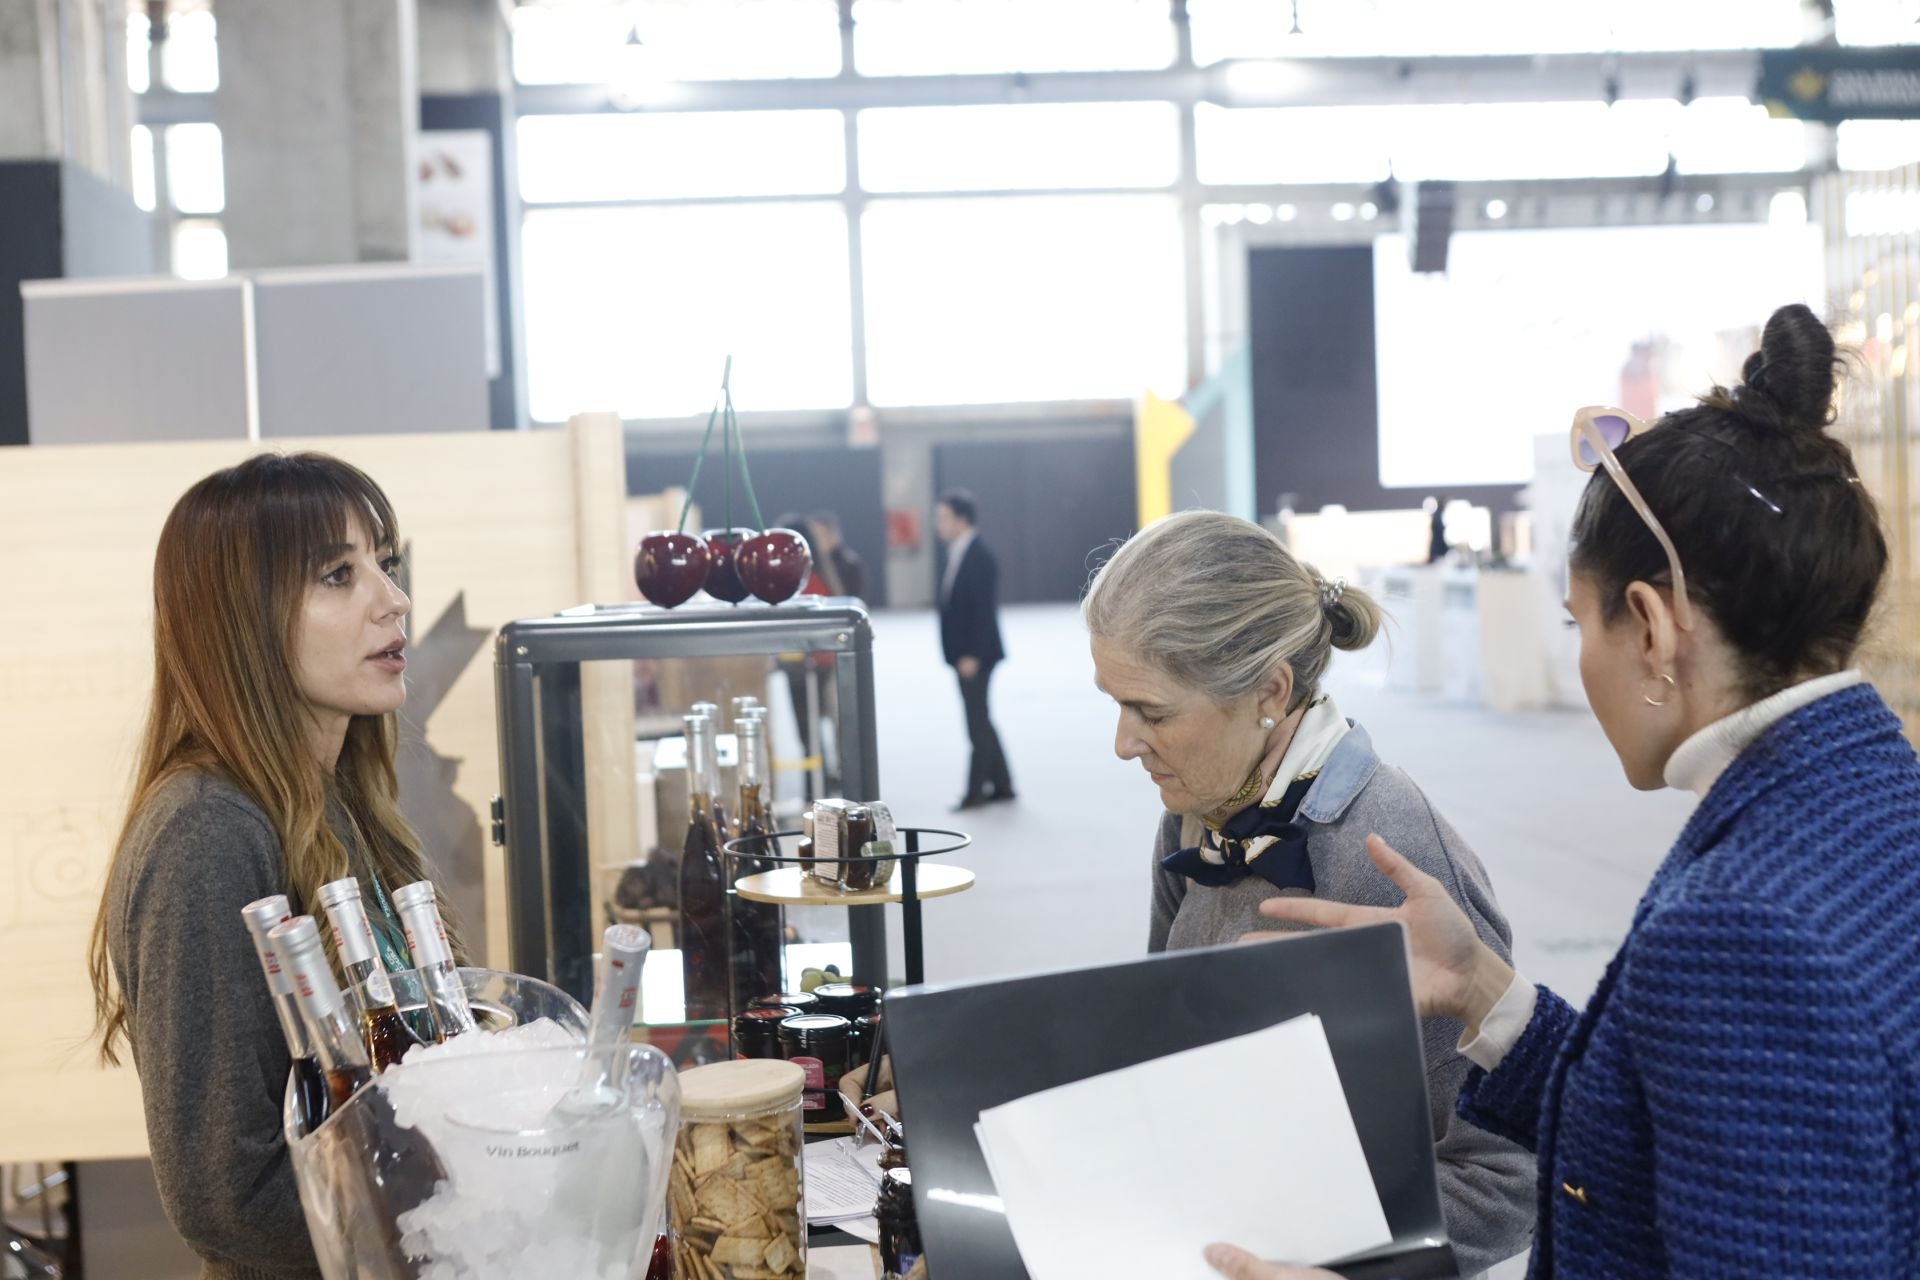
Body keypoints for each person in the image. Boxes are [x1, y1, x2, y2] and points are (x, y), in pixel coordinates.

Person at [1208, 304, 1920, 1279]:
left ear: (1651, 625)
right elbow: (1690, 1129)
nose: (1582, 661)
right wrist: (1487, 994)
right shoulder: (1874, 795)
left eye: (1576, 620)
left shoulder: (1739, 929)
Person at [1082, 511, 1536, 1278]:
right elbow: (1163, 1044)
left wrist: (1331, 1259)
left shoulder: (1387, 857)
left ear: (1271, 690)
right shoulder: (1195, 813)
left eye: (1152, 712)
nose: (1123, 743)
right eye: (1114, 703)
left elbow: (1502, 1178)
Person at [88, 453, 463, 1279]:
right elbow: (229, 1195)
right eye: (338, 574)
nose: (393, 600)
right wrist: (463, 1213)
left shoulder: (338, 805)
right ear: (241, 621)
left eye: (385, 563)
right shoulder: (206, 834)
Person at [935, 490, 1013, 809]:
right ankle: (1003, 784)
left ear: (961, 519)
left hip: (975, 655)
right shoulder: (958, 553)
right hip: (965, 654)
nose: (937, 525)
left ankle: (975, 791)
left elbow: (983, 612)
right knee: (981, 718)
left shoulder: (979, 556)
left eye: (942, 518)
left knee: (975, 722)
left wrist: (972, 655)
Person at [805, 509, 865, 600]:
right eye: (812, 536)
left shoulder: (850, 565)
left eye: (820, 535)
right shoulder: (807, 566)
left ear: (834, 536)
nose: (815, 541)